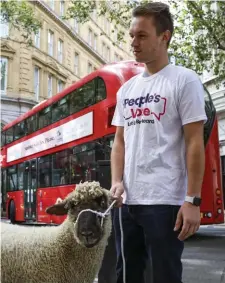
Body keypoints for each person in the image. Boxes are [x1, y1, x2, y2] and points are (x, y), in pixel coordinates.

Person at [110, 2, 207, 283]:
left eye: (142, 36)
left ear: (164, 37)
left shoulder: (184, 80)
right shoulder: (126, 90)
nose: (133, 43)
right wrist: (116, 181)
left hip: (165, 202)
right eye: (131, 35)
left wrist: (192, 200)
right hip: (126, 203)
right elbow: (119, 142)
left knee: (165, 276)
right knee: (126, 275)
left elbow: (194, 142)